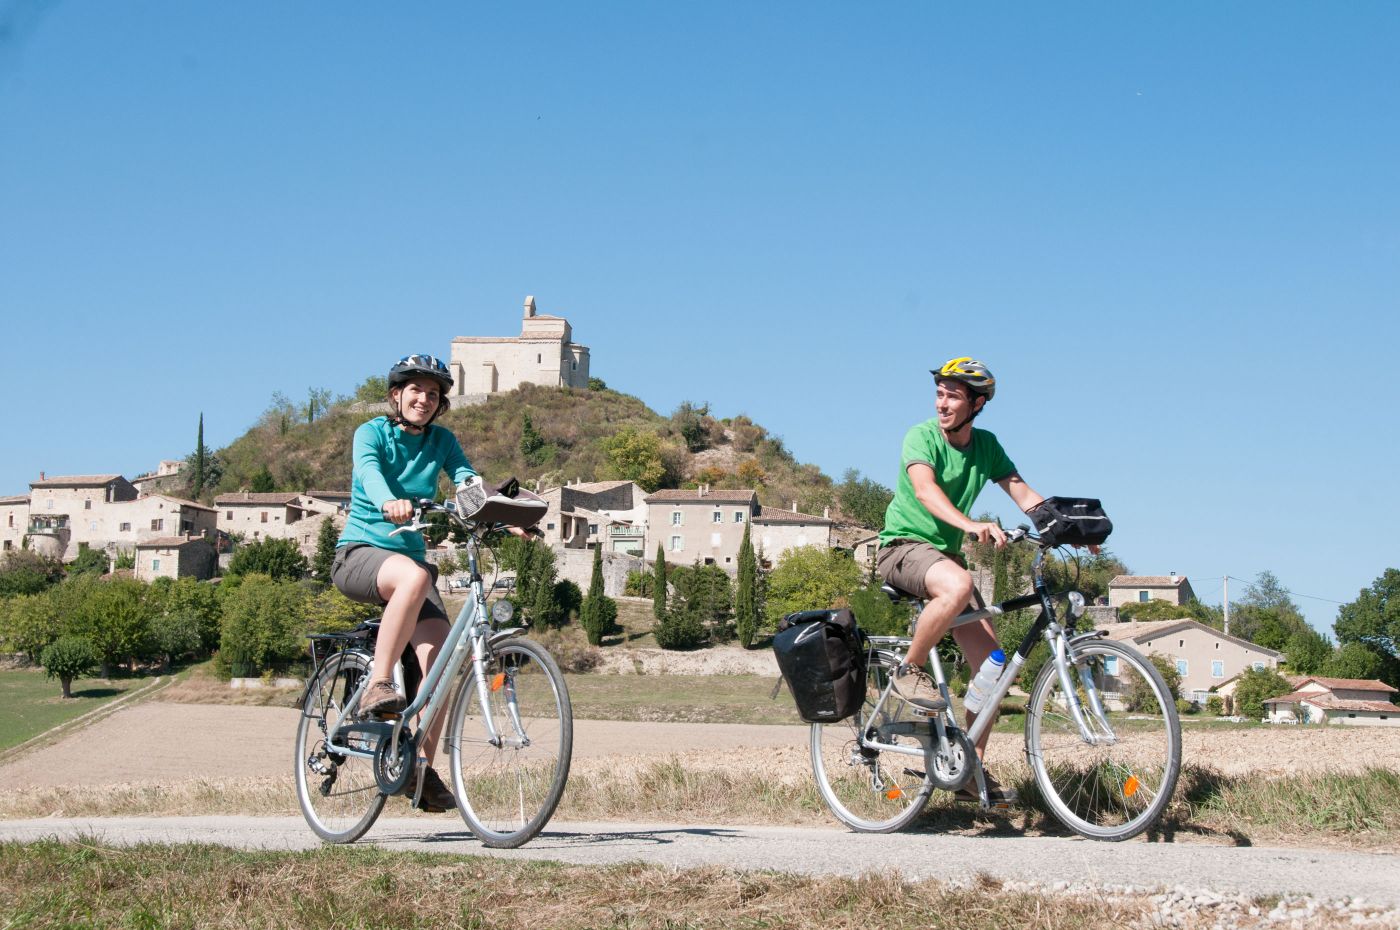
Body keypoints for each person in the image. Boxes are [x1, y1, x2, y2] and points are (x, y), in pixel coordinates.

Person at [875, 356, 1046, 804]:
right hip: (902, 549)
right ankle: (908, 670)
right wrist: (971, 524)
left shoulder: (986, 446)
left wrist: (1070, 525)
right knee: (959, 584)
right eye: (940, 394)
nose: (942, 403)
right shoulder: (922, 436)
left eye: (953, 396)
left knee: (993, 668)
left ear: (977, 404)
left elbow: (1024, 494)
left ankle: (969, 770)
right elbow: (926, 490)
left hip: (944, 557)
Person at [329, 353, 478, 813]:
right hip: (360, 556)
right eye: (416, 390)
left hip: (410, 573)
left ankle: (419, 769)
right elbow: (369, 472)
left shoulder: (443, 440)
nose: (424, 399)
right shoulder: (371, 432)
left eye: (433, 394)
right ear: (397, 395)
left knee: (441, 668)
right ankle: (378, 682)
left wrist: (504, 514)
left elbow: (467, 479)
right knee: (415, 575)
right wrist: (390, 500)